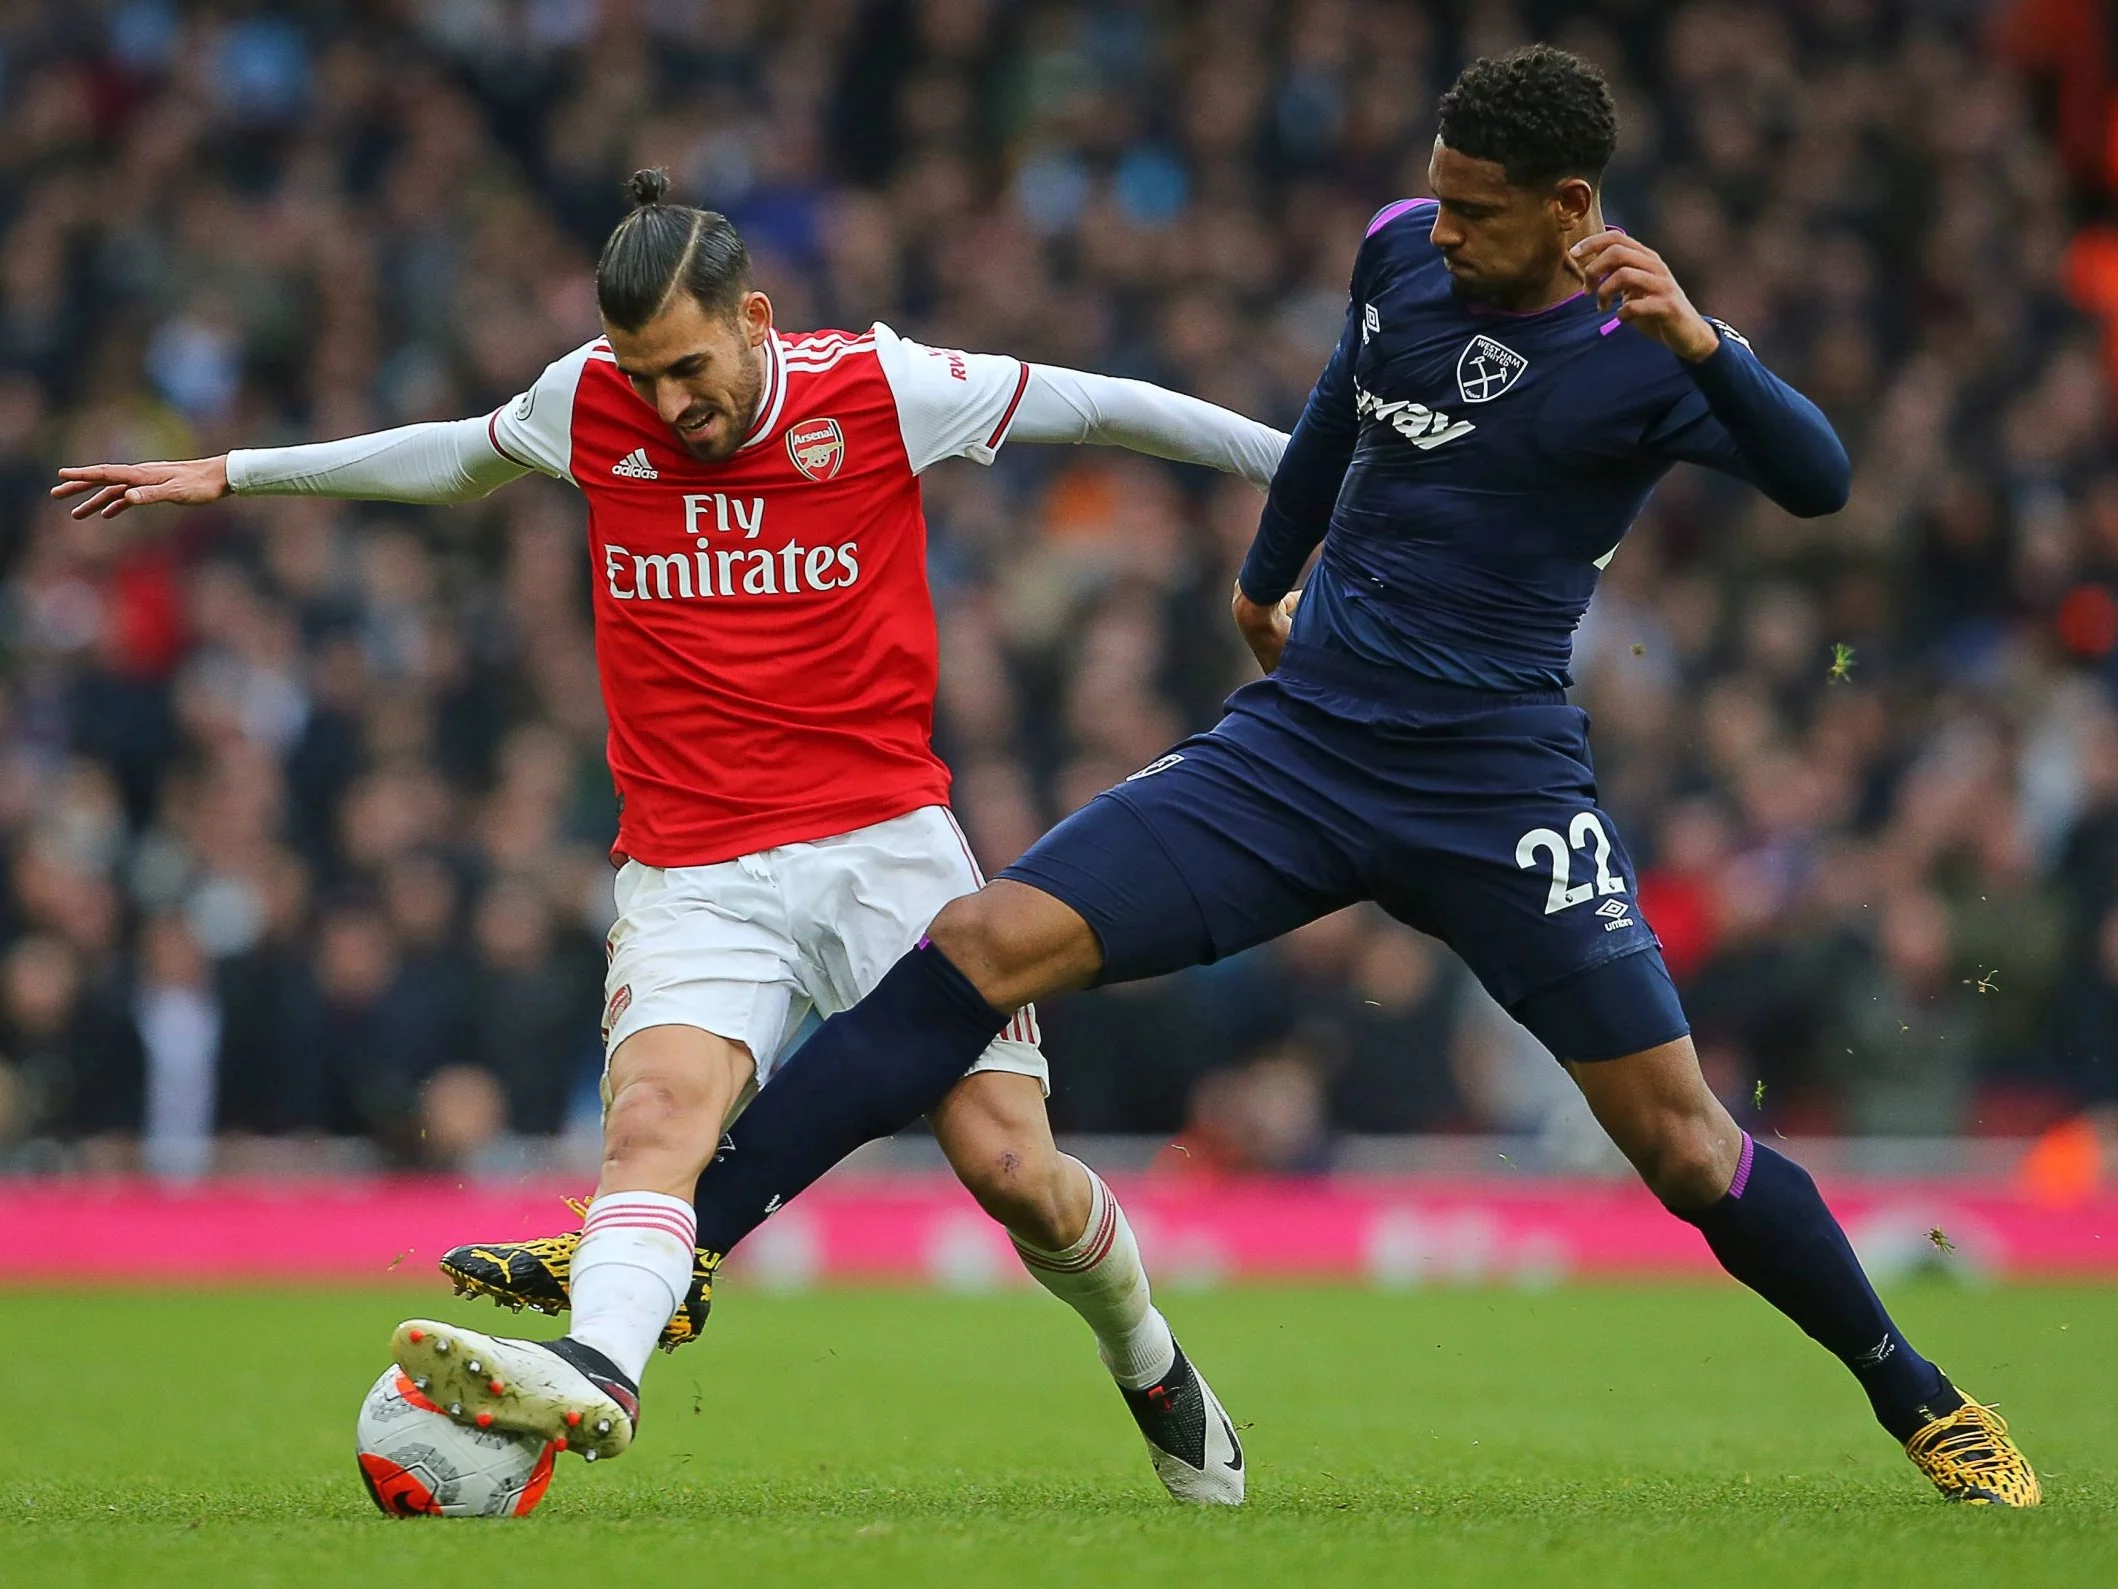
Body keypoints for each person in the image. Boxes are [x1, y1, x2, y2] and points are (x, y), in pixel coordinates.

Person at [496, 47, 2038, 1505]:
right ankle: (683, 1251)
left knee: (1684, 1146)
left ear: (1572, 211)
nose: (1440, 230)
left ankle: (1918, 1395)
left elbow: (1819, 481)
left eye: (1477, 211)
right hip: (1298, 749)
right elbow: (1334, 416)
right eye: (1435, 195)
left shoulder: (1649, 355)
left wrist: (1703, 338)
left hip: (1492, 784)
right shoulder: (1398, 258)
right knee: (977, 945)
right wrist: (1264, 575)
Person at [53, 168, 1280, 1500]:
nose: (666, 402)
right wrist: (230, 474)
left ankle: (1148, 1360)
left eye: (688, 366)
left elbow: (1102, 404)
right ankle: (601, 1369)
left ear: (752, 316)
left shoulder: (880, 389)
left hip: (884, 849)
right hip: (694, 866)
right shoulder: (585, 399)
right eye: (642, 375)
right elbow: (453, 457)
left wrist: (1311, 470)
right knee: (652, 1124)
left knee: (1012, 1172)